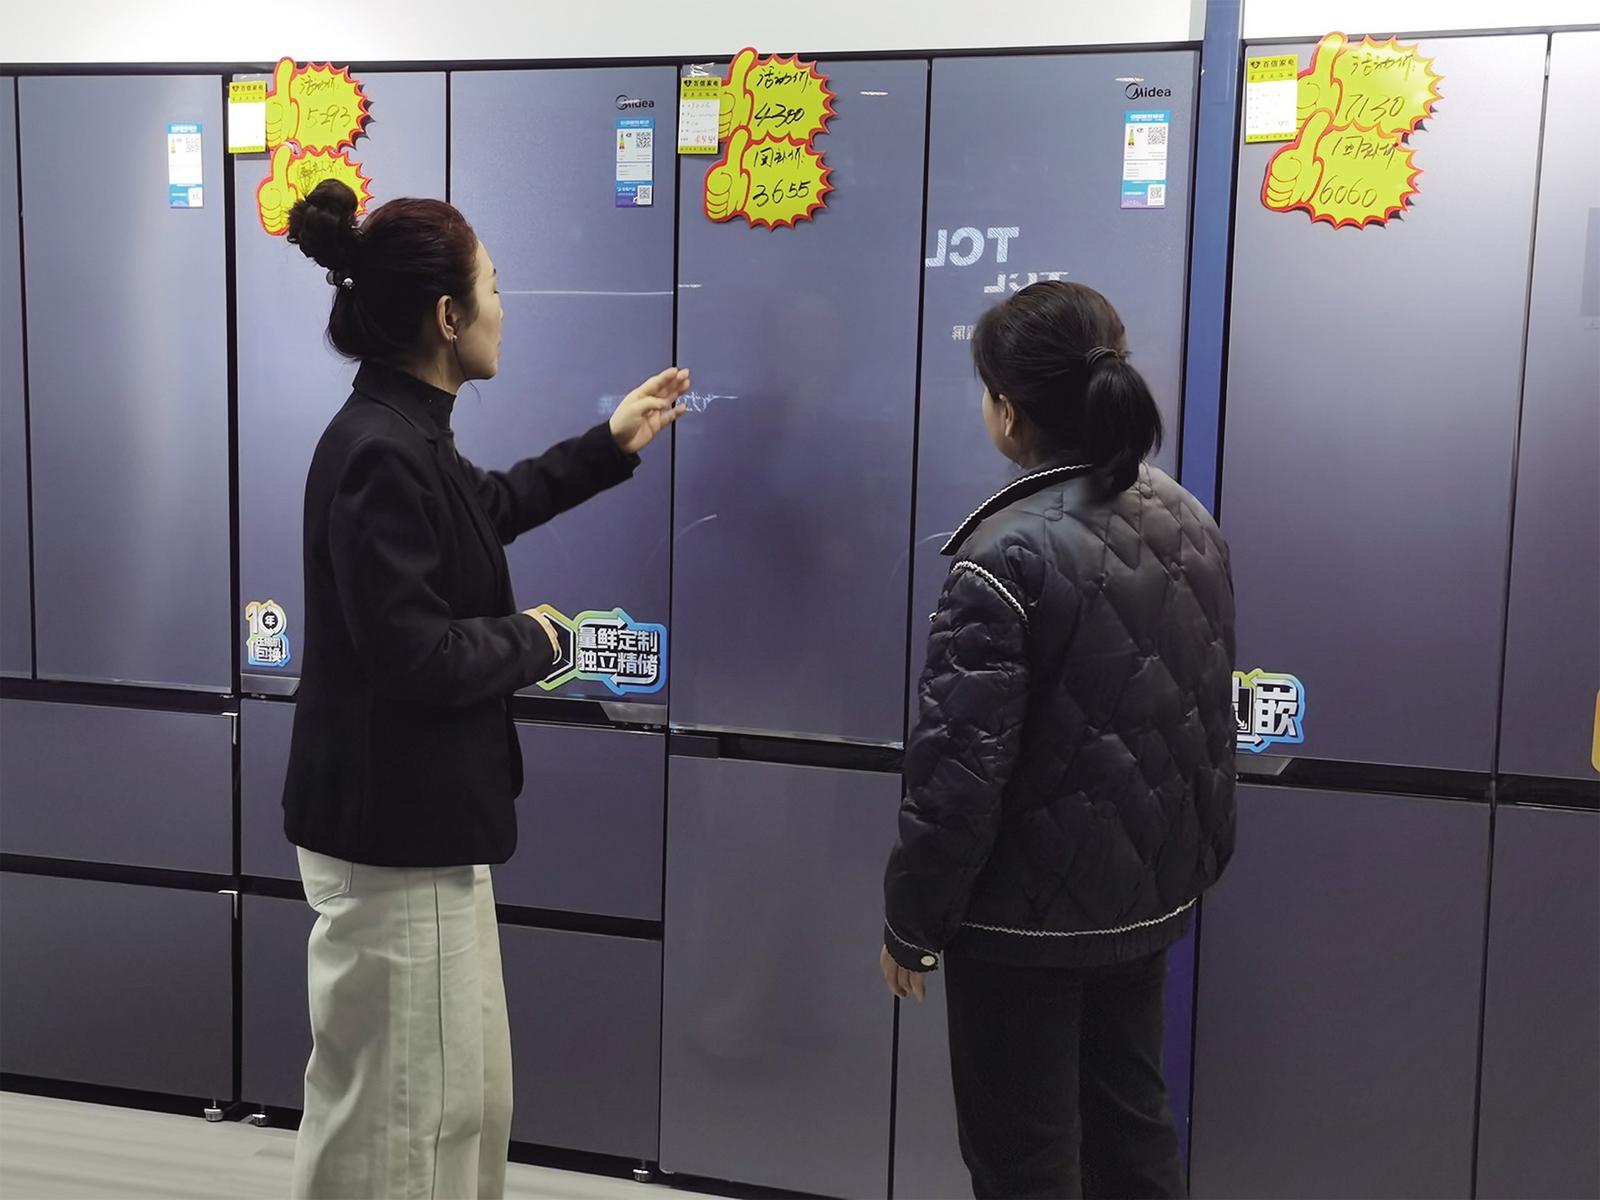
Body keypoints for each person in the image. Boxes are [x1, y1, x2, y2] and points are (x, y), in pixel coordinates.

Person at [279, 179, 689, 1200]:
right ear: (447, 316)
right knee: (402, 1125)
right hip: (393, 840)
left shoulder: (408, 431)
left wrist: (608, 444)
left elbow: (487, 508)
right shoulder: (378, 449)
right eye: (493, 287)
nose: (505, 307)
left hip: (423, 831)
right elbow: (413, 656)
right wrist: (536, 640)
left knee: (454, 1107)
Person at [880, 281, 1236, 1199]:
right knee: (1133, 1139)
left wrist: (913, 927)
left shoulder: (1002, 556)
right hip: (1146, 902)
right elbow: (1206, 725)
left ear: (1008, 411)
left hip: (1019, 927)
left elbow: (958, 775)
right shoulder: (1188, 519)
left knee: (1024, 1165)